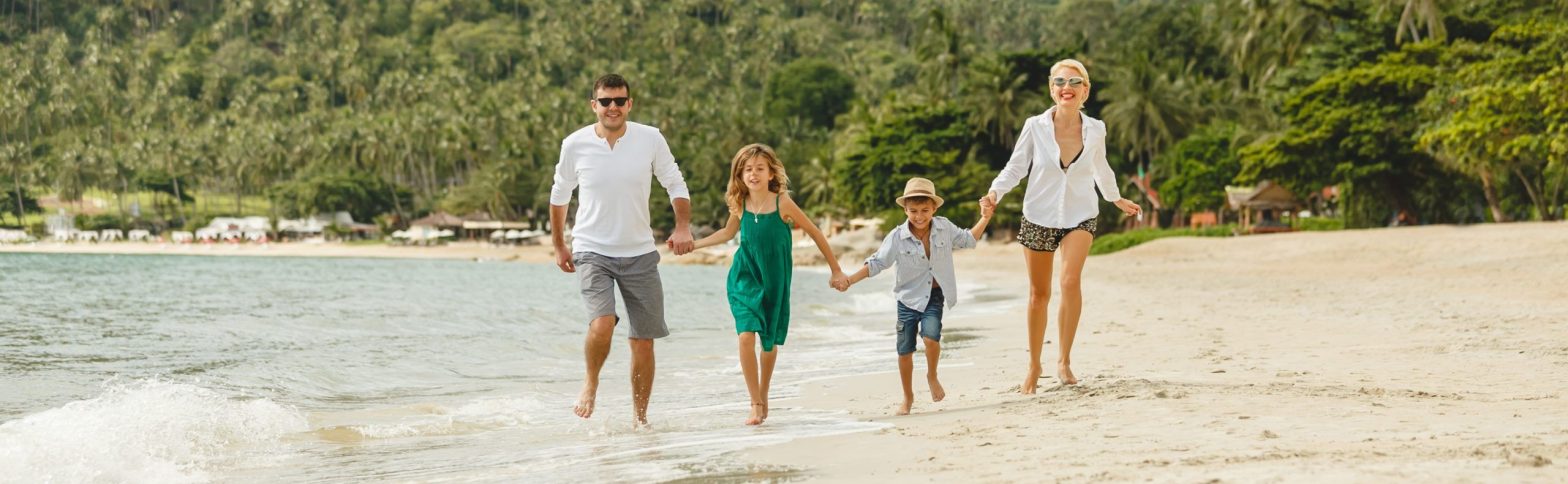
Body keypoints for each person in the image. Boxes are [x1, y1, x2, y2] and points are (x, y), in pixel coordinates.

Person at [982, 59, 1142, 393]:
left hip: (1081, 213)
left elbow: (1101, 167)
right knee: (1039, 295)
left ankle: (1064, 361)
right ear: (1051, 89)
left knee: (1070, 281)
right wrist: (995, 191)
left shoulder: (1096, 128)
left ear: (1086, 90)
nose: (1066, 87)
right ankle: (1034, 364)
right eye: (1059, 81)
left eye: (1074, 81)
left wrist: (1115, 198)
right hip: (1038, 215)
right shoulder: (1035, 126)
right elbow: (1016, 167)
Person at [549, 73, 695, 426]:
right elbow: (559, 195)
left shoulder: (650, 138)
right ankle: (591, 382)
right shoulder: (575, 144)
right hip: (591, 248)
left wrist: (682, 226)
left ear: (629, 104)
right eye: (605, 101)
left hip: (640, 252)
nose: (612, 107)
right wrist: (559, 245)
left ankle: (640, 419)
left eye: (619, 101)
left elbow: (674, 181)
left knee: (643, 341)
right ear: (593, 105)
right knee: (602, 323)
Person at [688, 143, 848, 425]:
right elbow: (727, 233)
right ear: (739, 175)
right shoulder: (740, 204)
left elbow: (814, 232)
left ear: (772, 173)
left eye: (760, 168)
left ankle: (764, 393)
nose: (753, 174)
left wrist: (836, 270)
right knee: (746, 335)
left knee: (769, 342)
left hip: (775, 277)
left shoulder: (781, 202)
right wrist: (694, 245)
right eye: (747, 169)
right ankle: (755, 402)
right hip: (744, 276)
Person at [840, 177, 994, 415]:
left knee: (931, 338)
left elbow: (968, 239)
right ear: (905, 210)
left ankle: (932, 375)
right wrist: (850, 279)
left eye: (925, 210)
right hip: (907, 300)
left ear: (934, 208)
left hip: (934, 296)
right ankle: (908, 397)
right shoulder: (896, 236)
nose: (919, 216)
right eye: (913, 211)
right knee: (905, 351)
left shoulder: (944, 227)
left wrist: (985, 217)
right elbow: (877, 263)